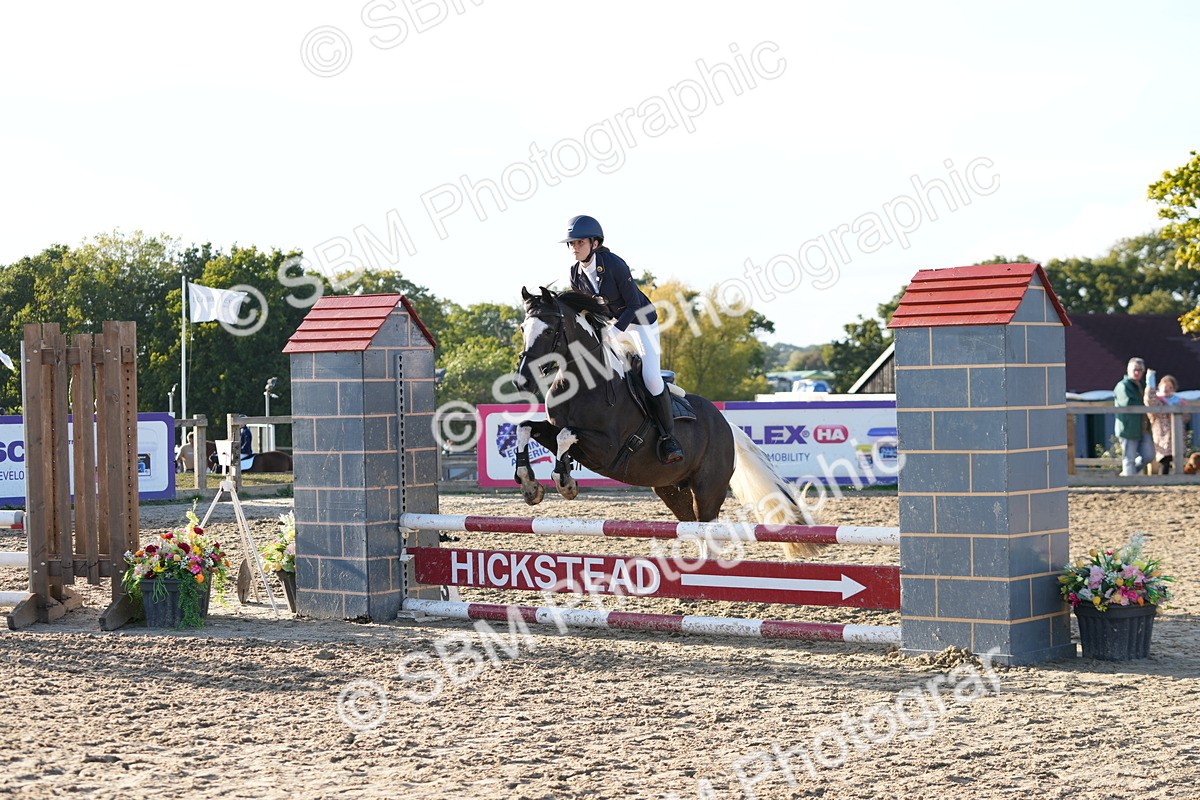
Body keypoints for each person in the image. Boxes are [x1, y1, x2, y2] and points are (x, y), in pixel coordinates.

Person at [560, 214, 683, 464]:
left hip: (639, 323)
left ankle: (669, 438)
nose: (575, 248)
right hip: (609, 326)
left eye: (579, 242)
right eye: (572, 244)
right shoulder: (575, 273)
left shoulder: (614, 265)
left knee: (649, 376)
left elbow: (634, 304)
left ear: (595, 243)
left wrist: (616, 331)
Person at [1114, 358, 1154, 476]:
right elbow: (1127, 403)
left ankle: (1128, 474)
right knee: (1129, 458)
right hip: (1128, 428)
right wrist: (1146, 403)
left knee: (1148, 456)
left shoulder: (1143, 385)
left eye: (1140, 370)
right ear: (1128, 370)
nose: (1137, 372)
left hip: (1143, 428)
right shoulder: (1123, 386)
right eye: (1134, 370)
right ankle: (1128, 482)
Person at [1145, 373, 1183, 474]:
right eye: (1165, 386)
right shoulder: (1158, 401)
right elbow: (1149, 399)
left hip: (1175, 434)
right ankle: (1164, 479)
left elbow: (1185, 417)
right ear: (1160, 386)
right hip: (1162, 434)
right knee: (1164, 460)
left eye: (1170, 387)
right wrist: (1150, 383)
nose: (1167, 389)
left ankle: (1177, 479)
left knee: (1176, 458)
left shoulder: (1177, 402)